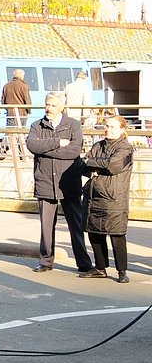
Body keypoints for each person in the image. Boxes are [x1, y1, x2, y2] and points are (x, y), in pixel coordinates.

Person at [26, 91, 91, 274]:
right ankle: (46, 261)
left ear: (62, 107)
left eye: (53, 105)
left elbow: (74, 150)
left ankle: (84, 263)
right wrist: (56, 142)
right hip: (45, 182)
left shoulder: (73, 125)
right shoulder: (36, 125)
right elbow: (32, 146)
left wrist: (45, 149)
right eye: (47, 104)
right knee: (46, 227)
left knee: (75, 226)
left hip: (68, 183)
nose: (48, 108)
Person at [79, 115, 134, 283]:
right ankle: (100, 267)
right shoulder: (98, 145)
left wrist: (93, 163)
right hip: (93, 195)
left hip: (114, 197)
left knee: (117, 235)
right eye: (106, 126)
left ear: (122, 130)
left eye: (112, 127)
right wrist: (91, 166)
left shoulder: (125, 148)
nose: (108, 129)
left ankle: (122, 270)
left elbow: (114, 165)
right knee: (95, 233)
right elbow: (82, 165)